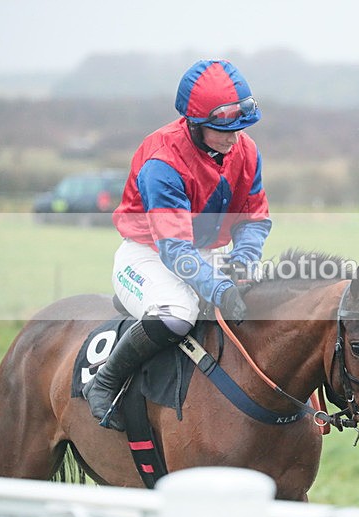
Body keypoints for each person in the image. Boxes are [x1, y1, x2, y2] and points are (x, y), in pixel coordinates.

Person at [83, 59, 272, 431]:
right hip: (149, 253)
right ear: (195, 123)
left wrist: (243, 260)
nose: (234, 139)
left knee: (271, 295)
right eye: (223, 130)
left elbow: (254, 217)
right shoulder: (162, 160)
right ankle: (104, 383)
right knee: (179, 312)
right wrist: (219, 287)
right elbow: (176, 251)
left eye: (239, 128)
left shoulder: (247, 151)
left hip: (205, 252)